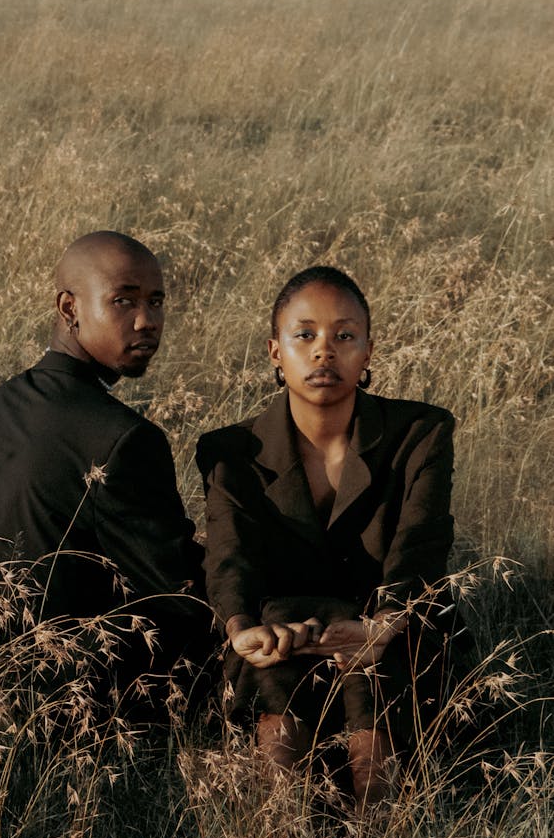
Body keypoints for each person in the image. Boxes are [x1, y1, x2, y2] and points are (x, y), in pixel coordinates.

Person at [196, 266, 460, 806]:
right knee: (273, 656)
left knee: (375, 674)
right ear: (275, 351)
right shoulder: (230, 450)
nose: (324, 351)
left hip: (387, 617)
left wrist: (381, 626)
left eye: (344, 336)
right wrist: (240, 627)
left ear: (368, 352)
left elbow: (420, 545)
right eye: (305, 335)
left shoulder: (421, 433)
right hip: (283, 622)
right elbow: (230, 556)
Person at [0, 230, 211, 717]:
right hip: (67, 703)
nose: (146, 321)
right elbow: (178, 592)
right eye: (122, 301)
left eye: (156, 302)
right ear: (69, 309)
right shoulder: (123, 438)